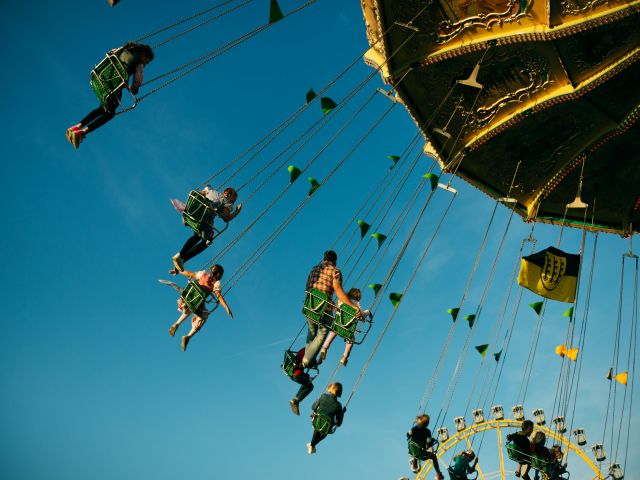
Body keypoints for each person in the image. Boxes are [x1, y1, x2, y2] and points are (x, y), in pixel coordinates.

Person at [66, 42, 154, 148]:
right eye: (147, 62)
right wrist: (135, 89)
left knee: (103, 108)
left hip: (101, 80)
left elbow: (110, 53)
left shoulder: (122, 49)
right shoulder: (138, 64)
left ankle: (76, 127)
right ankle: (82, 133)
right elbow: (137, 80)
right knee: (110, 114)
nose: (145, 64)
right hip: (114, 86)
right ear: (144, 55)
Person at [303, 250, 359, 367]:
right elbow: (339, 292)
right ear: (335, 261)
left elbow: (307, 286)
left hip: (310, 305)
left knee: (311, 332)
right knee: (323, 332)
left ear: (324, 259)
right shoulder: (335, 272)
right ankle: (307, 359)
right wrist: (353, 307)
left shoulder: (314, 269)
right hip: (324, 309)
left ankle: (309, 358)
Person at [171, 187, 241, 272]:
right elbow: (226, 217)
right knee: (207, 241)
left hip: (193, 214)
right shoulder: (228, 204)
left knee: (197, 235)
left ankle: (180, 257)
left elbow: (198, 195)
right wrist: (236, 212)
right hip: (204, 220)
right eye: (234, 200)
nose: (233, 202)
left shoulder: (210, 191)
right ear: (231, 197)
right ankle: (183, 258)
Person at [168, 264, 233, 351]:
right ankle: (188, 336)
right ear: (217, 274)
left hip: (189, 297)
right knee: (204, 316)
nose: (222, 276)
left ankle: (176, 324)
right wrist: (226, 307)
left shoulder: (202, 274)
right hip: (196, 302)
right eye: (221, 274)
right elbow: (219, 296)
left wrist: (178, 271)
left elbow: (189, 274)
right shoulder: (216, 283)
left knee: (191, 306)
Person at [320, 287, 370, 366]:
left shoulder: (341, 300)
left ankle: (324, 348)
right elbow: (362, 315)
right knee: (351, 339)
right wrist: (368, 312)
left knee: (333, 330)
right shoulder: (356, 303)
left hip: (338, 324)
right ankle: (344, 357)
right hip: (348, 328)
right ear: (358, 297)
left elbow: (335, 309)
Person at [307, 382, 345, 454]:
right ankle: (312, 445)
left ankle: (312, 445)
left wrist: (318, 402)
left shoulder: (323, 396)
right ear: (340, 392)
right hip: (326, 427)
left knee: (318, 427)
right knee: (324, 432)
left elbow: (313, 407)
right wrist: (342, 413)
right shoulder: (338, 406)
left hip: (317, 421)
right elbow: (338, 423)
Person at [407, 414, 444, 478]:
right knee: (433, 456)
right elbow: (428, 443)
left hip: (412, 449)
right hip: (421, 451)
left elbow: (408, 435)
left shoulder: (415, 428)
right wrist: (432, 441)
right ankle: (438, 472)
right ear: (427, 423)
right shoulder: (427, 431)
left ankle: (415, 457)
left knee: (416, 451)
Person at [289, 347, 320, 416]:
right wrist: (317, 363)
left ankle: (295, 400)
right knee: (310, 386)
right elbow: (309, 363)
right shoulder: (311, 351)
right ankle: (295, 401)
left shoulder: (304, 349)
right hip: (297, 374)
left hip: (292, 372)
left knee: (307, 380)